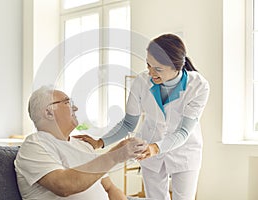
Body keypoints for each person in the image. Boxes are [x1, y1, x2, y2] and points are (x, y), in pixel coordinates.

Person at [74, 34, 210, 200]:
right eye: (148, 65)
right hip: (149, 150)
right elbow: (128, 124)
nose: (151, 72)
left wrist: (155, 148)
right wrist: (99, 142)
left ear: (177, 67)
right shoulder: (141, 82)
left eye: (158, 68)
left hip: (184, 150)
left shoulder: (198, 86)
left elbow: (182, 132)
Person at [14, 86, 147, 200]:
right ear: (49, 113)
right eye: (67, 103)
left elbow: (110, 188)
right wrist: (115, 155)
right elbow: (63, 186)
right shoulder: (35, 145)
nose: (75, 108)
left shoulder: (83, 145)